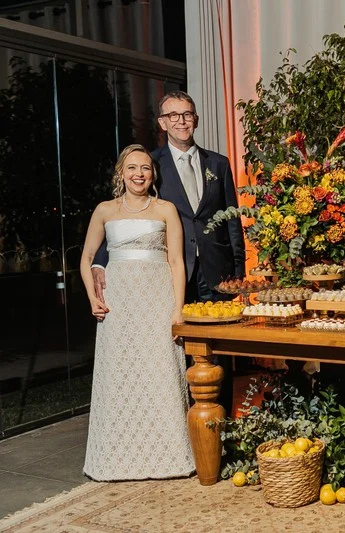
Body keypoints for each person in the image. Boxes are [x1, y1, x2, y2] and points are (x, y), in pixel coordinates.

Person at [92, 90, 245, 411]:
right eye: (173, 116)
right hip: (171, 276)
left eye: (187, 114)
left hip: (218, 274)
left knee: (221, 354)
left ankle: (223, 430)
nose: (181, 121)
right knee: (180, 352)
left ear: (196, 119)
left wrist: (239, 276)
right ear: (162, 122)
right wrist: (100, 263)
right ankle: (189, 427)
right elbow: (125, 215)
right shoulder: (150, 164)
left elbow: (233, 221)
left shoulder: (218, 163)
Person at [80, 144, 195, 480]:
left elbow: (176, 261)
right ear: (121, 173)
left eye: (145, 168)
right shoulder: (104, 210)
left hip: (157, 300)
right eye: (132, 168)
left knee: (160, 372)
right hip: (119, 304)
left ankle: (169, 457)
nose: (139, 174)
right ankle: (116, 458)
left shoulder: (165, 209)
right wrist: (92, 298)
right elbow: (86, 259)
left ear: (152, 173)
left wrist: (178, 308)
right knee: (121, 375)